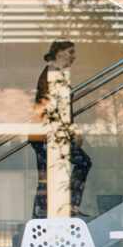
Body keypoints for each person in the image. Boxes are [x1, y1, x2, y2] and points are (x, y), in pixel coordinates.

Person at [30, 41, 92, 218]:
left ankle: (43, 217)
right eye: (70, 52)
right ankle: (56, 210)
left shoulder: (55, 74)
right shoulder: (52, 74)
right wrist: (73, 131)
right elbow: (55, 109)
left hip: (48, 135)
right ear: (58, 52)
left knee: (47, 178)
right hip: (47, 135)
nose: (74, 56)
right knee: (80, 163)